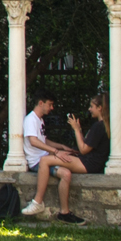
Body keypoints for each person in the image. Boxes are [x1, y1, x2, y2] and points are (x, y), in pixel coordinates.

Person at [19, 91, 82, 222]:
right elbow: (34, 141)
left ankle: (64, 213)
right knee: (64, 171)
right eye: (50, 104)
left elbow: (43, 140)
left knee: (66, 174)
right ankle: (37, 202)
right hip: (37, 161)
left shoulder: (39, 120)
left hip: (45, 157)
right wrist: (55, 151)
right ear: (41, 103)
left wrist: (61, 147)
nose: (52, 108)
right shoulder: (31, 119)